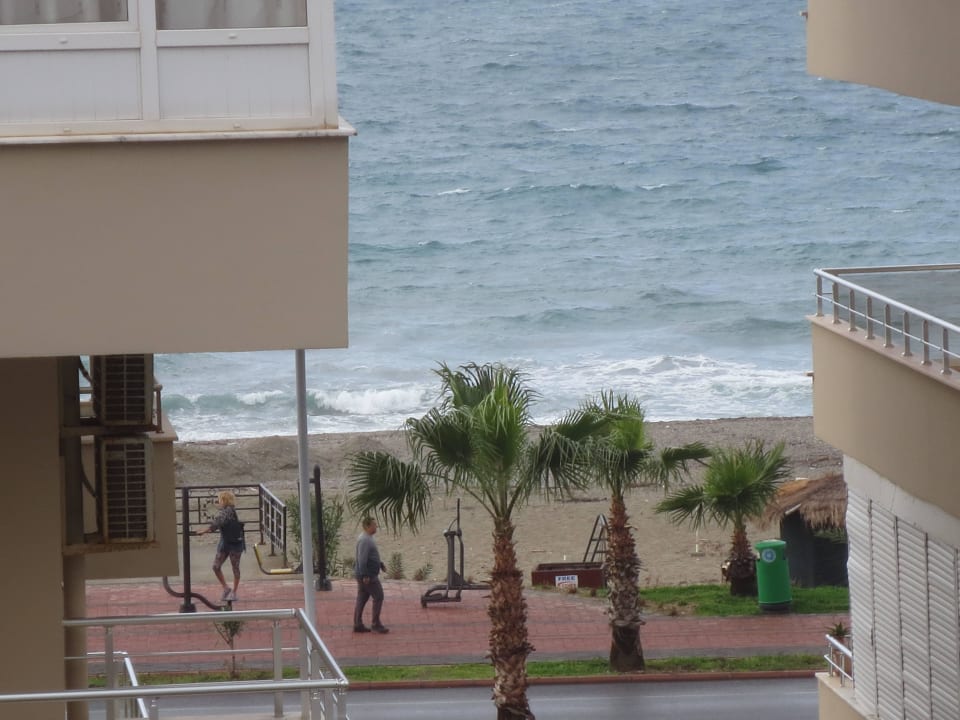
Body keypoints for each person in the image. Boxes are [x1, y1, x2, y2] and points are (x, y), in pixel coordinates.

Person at [197, 490, 246, 603]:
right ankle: (227, 589)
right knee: (217, 566)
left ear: (224, 500)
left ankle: (233, 591)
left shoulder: (228, 511)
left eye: (219, 500)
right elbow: (218, 522)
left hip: (234, 543)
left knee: (232, 568)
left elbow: (218, 522)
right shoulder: (227, 511)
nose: (218, 502)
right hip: (226, 542)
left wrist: (205, 531)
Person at [353, 516, 389, 633]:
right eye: (374, 525)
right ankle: (375, 623)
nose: (376, 526)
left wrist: (380, 564)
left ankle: (358, 623)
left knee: (362, 598)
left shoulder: (368, 538)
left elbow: (370, 556)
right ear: (367, 526)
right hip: (368, 576)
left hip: (365, 574)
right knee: (378, 596)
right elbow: (362, 560)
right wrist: (365, 575)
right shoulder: (365, 540)